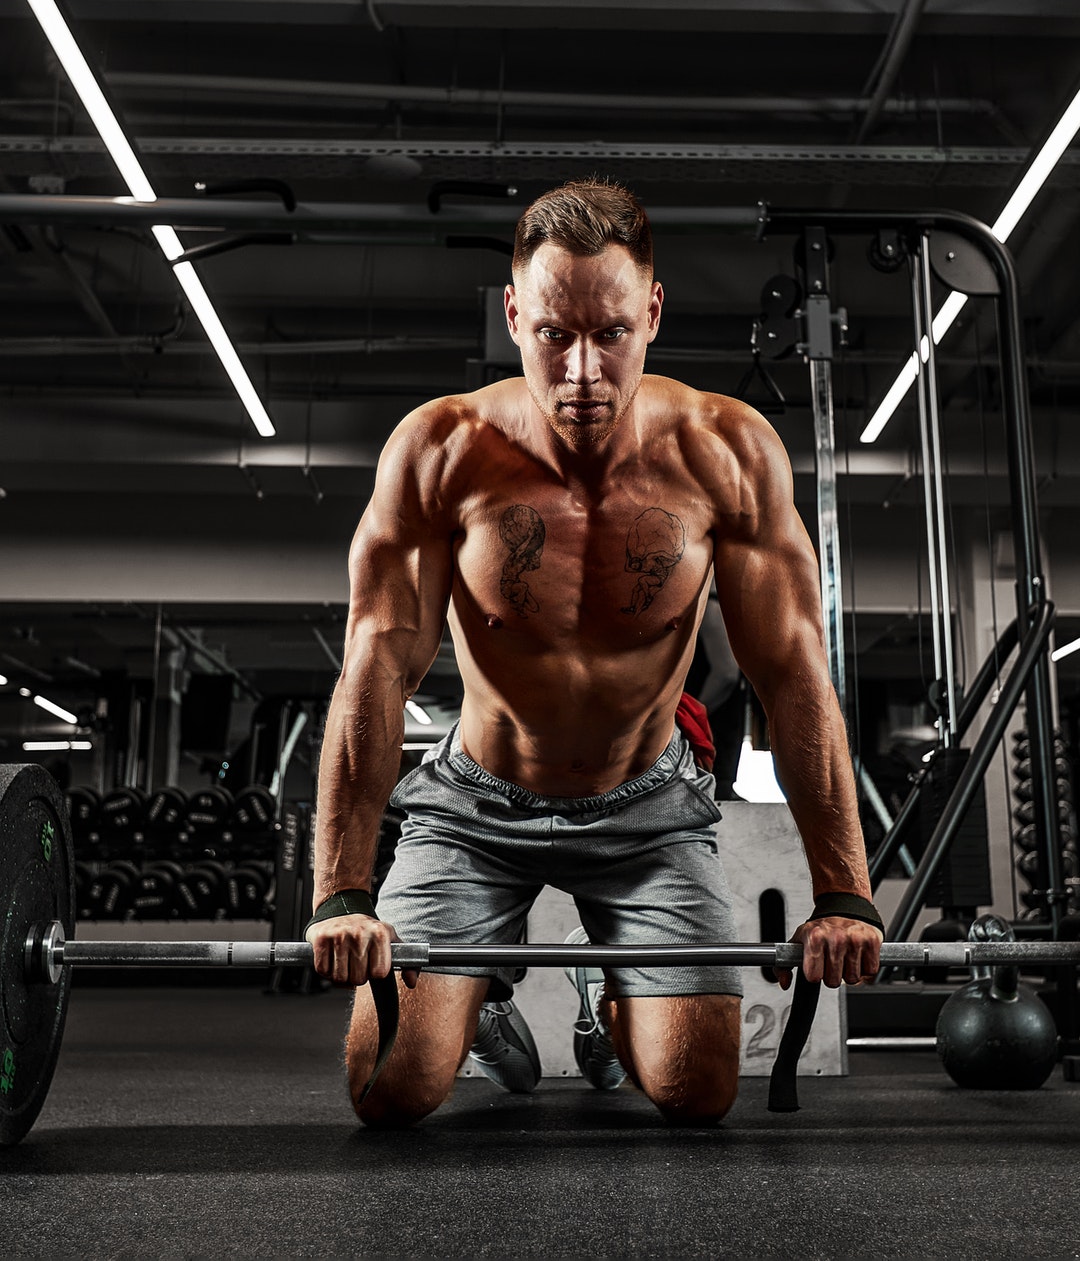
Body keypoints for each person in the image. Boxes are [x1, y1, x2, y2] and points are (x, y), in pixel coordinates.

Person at [306, 178, 883, 1128]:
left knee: (697, 1094)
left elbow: (792, 674)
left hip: (646, 805)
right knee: (390, 1091)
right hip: (475, 805)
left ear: (652, 310)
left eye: (610, 332)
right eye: (553, 335)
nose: (581, 371)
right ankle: (480, 1000)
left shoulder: (726, 454)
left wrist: (844, 895)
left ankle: (600, 994)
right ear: (513, 313)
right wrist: (343, 890)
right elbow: (376, 664)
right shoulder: (441, 450)